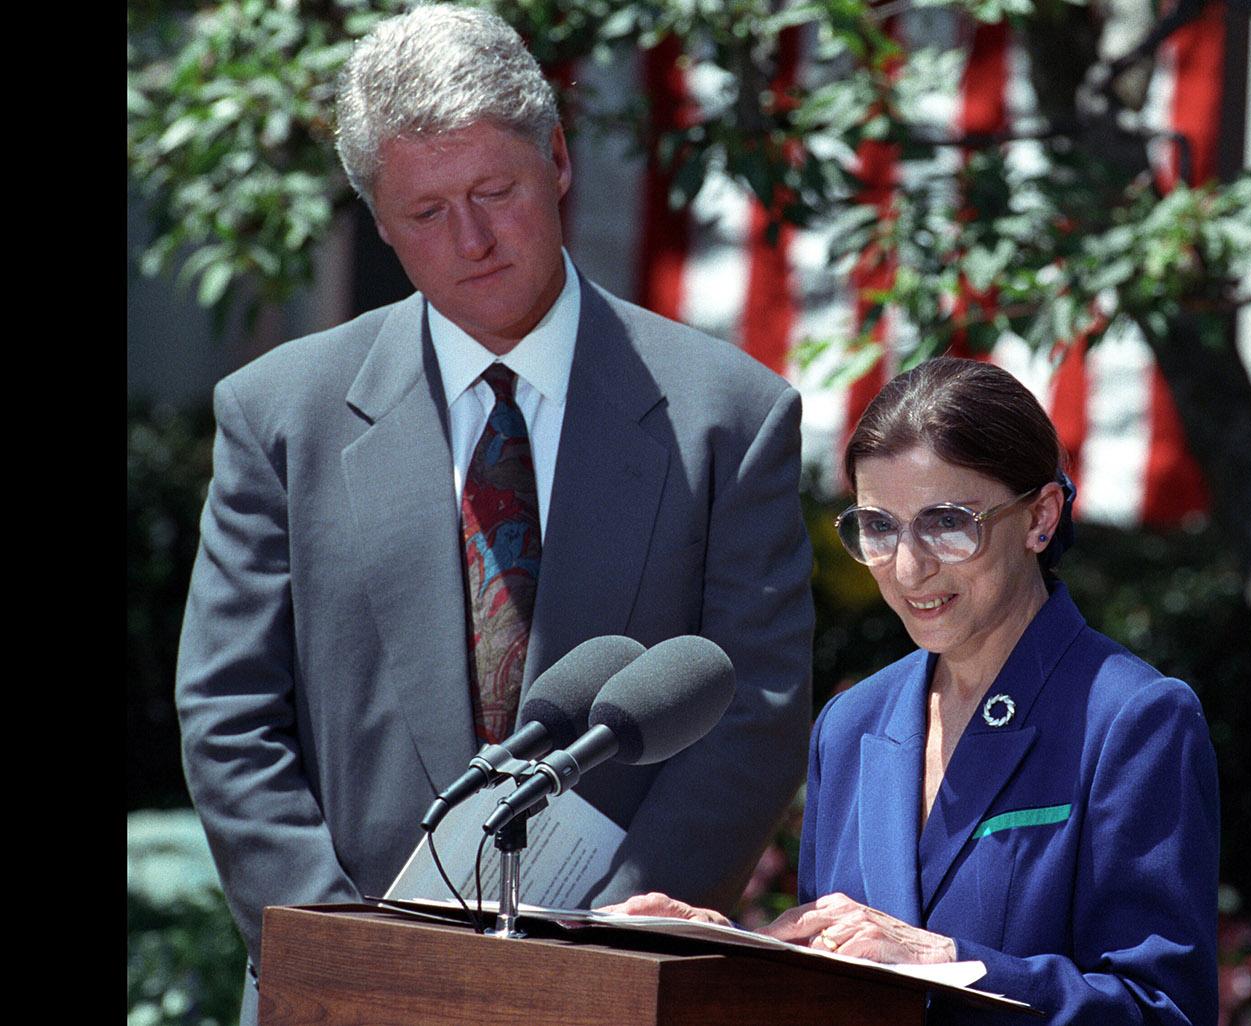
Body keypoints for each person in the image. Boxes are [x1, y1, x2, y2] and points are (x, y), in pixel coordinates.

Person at [172, 7, 813, 1023]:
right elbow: (229, 717)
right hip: (341, 994)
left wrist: (599, 957)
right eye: (425, 213)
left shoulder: (729, 416)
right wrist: (350, 958)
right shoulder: (276, 414)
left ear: (557, 160)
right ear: (378, 223)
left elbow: (755, 708)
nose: (470, 239)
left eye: (494, 191)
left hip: (617, 984)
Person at [608, 357, 1222, 1025]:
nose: (908, 567)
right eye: (878, 527)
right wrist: (718, 949)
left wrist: (950, 961)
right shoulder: (852, 723)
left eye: (947, 523)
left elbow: (1163, 1011)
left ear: (1041, 518)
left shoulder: (1134, 718)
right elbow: (849, 976)